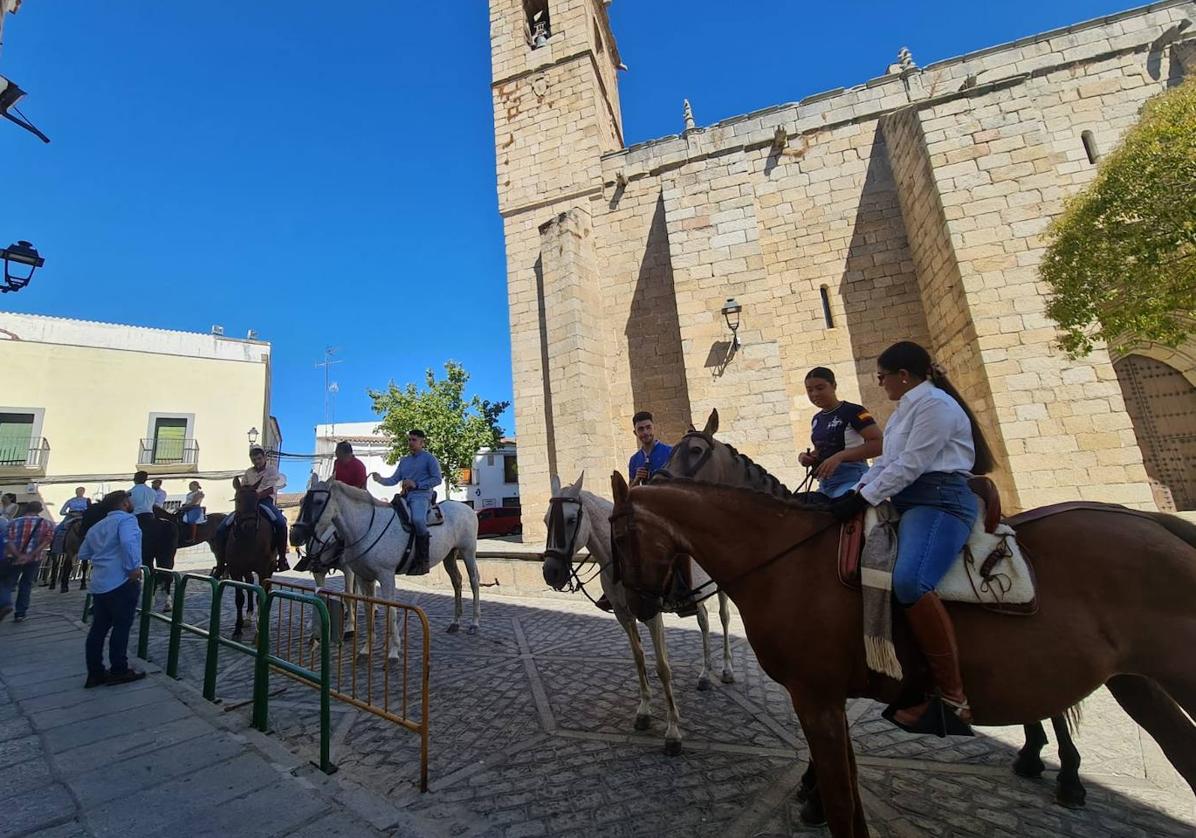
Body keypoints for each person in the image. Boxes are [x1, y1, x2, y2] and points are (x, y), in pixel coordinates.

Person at [829, 341, 996, 734]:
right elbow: (887, 461)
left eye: (882, 377)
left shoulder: (936, 406)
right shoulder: (907, 407)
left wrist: (863, 495)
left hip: (939, 501)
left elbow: (913, 464)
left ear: (903, 375)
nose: (880, 383)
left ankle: (953, 697)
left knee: (909, 580)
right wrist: (857, 494)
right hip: (905, 499)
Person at [79, 490, 146, 688]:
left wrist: (103, 556)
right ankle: (119, 669)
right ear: (124, 503)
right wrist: (132, 567)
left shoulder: (97, 526)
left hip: (100, 584)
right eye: (129, 500)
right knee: (121, 627)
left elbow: (83, 553)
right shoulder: (127, 521)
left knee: (98, 629)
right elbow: (127, 542)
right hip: (122, 581)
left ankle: (95, 672)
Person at [798, 367, 883, 499]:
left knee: (844, 507)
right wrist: (807, 457)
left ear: (834, 386)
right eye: (809, 390)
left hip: (852, 478)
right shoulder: (817, 419)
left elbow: (879, 444)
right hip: (825, 484)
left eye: (820, 388)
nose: (814, 394)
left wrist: (840, 457)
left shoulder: (854, 411)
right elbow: (826, 450)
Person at [371, 429, 441, 576]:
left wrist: (416, 484)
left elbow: (437, 479)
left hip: (421, 496)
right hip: (404, 496)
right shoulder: (404, 461)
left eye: (414, 440)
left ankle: (423, 560)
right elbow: (393, 479)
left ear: (422, 442)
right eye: (409, 440)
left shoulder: (429, 458)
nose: (410, 442)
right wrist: (380, 479)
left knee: (417, 520)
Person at [215, 446, 289, 572]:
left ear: (264, 458)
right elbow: (243, 487)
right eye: (254, 459)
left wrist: (256, 495)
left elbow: (271, 488)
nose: (257, 461)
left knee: (280, 523)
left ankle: (281, 559)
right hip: (248, 503)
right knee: (222, 527)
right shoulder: (249, 472)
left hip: (265, 501)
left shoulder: (271, 470)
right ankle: (222, 562)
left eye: (259, 458)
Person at [0, 501, 53, 623]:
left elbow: (7, 540)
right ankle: (20, 613)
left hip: (13, 558)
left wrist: (18, 555)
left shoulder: (14, 522)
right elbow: (47, 541)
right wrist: (30, 555)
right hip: (34, 559)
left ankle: (5, 604)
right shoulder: (47, 523)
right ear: (40, 510)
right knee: (26, 584)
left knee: (7, 583)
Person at [628, 411, 672, 487]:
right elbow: (629, 492)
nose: (645, 432)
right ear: (635, 433)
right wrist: (636, 479)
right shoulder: (634, 460)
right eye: (641, 429)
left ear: (654, 428)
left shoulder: (671, 452)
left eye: (648, 427)